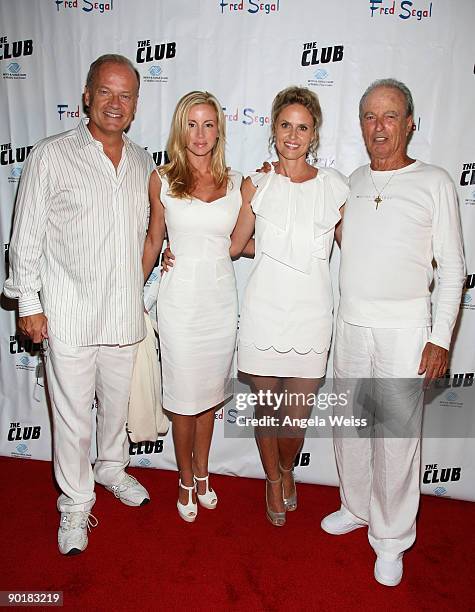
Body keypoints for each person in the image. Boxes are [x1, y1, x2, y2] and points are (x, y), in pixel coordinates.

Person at [4, 54, 154, 555]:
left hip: (122, 314)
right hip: (67, 313)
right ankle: (74, 504)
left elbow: (142, 235)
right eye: (105, 92)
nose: (115, 103)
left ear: (135, 104)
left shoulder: (142, 161)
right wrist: (29, 302)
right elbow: (25, 236)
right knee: (71, 418)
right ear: (86, 95)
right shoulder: (50, 155)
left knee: (115, 409)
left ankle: (112, 467)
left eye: (126, 95)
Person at [321, 79, 465, 586]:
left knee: (397, 439)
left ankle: (391, 538)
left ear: (410, 123)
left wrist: (441, 338)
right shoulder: (351, 182)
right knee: (351, 429)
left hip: (407, 331)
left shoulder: (436, 182)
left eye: (390, 115)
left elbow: (452, 270)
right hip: (350, 328)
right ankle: (356, 507)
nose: (379, 127)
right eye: (369, 117)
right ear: (360, 125)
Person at [230, 87, 349, 526]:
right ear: (274, 129)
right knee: (266, 408)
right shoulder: (255, 184)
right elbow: (236, 245)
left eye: (303, 127)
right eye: (286, 125)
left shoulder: (335, 187)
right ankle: (273, 479)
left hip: (312, 314)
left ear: (314, 133)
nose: (293, 135)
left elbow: (355, 249)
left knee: (294, 419)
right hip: (264, 311)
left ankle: (285, 467)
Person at [142, 91, 243, 522]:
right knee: (184, 399)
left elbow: (239, 244)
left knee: (212, 397)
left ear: (219, 128)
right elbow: (152, 240)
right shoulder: (161, 179)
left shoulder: (239, 183)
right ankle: (185, 477)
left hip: (221, 301)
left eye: (208, 124)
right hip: (180, 302)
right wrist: (131, 289)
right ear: (179, 128)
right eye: (191, 123)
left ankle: (204, 473)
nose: (199, 134)